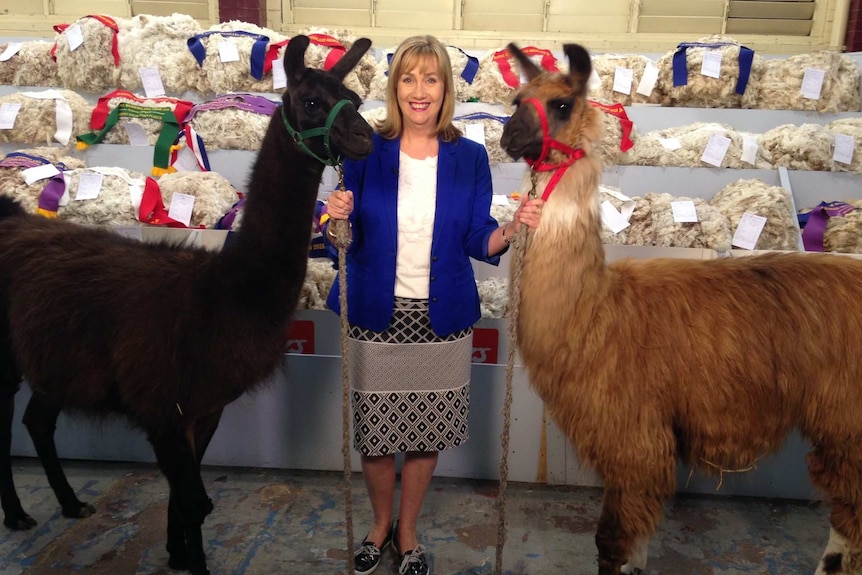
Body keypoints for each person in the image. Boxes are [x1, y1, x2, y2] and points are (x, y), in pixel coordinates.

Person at [324, 35, 543, 575]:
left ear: (445, 88)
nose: (418, 91)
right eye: (407, 78)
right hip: (377, 313)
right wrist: (335, 216)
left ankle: (407, 531)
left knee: (425, 431)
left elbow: (476, 238)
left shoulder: (467, 157)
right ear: (393, 86)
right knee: (377, 435)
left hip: (441, 318)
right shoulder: (364, 149)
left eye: (430, 79)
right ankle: (378, 525)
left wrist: (513, 228)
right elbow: (340, 243)